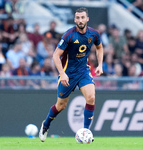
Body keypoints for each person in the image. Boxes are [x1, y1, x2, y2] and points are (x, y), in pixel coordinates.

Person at [39, 7, 103, 142]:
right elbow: (56, 55)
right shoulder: (69, 35)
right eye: (78, 18)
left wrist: (100, 65)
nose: (80, 20)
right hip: (67, 74)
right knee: (61, 105)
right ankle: (46, 125)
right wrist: (62, 74)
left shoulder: (94, 34)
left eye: (82, 17)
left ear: (87, 19)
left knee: (91, 97)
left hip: (83, 71)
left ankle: (85, 131)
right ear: (75, 20)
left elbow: (99, 47)